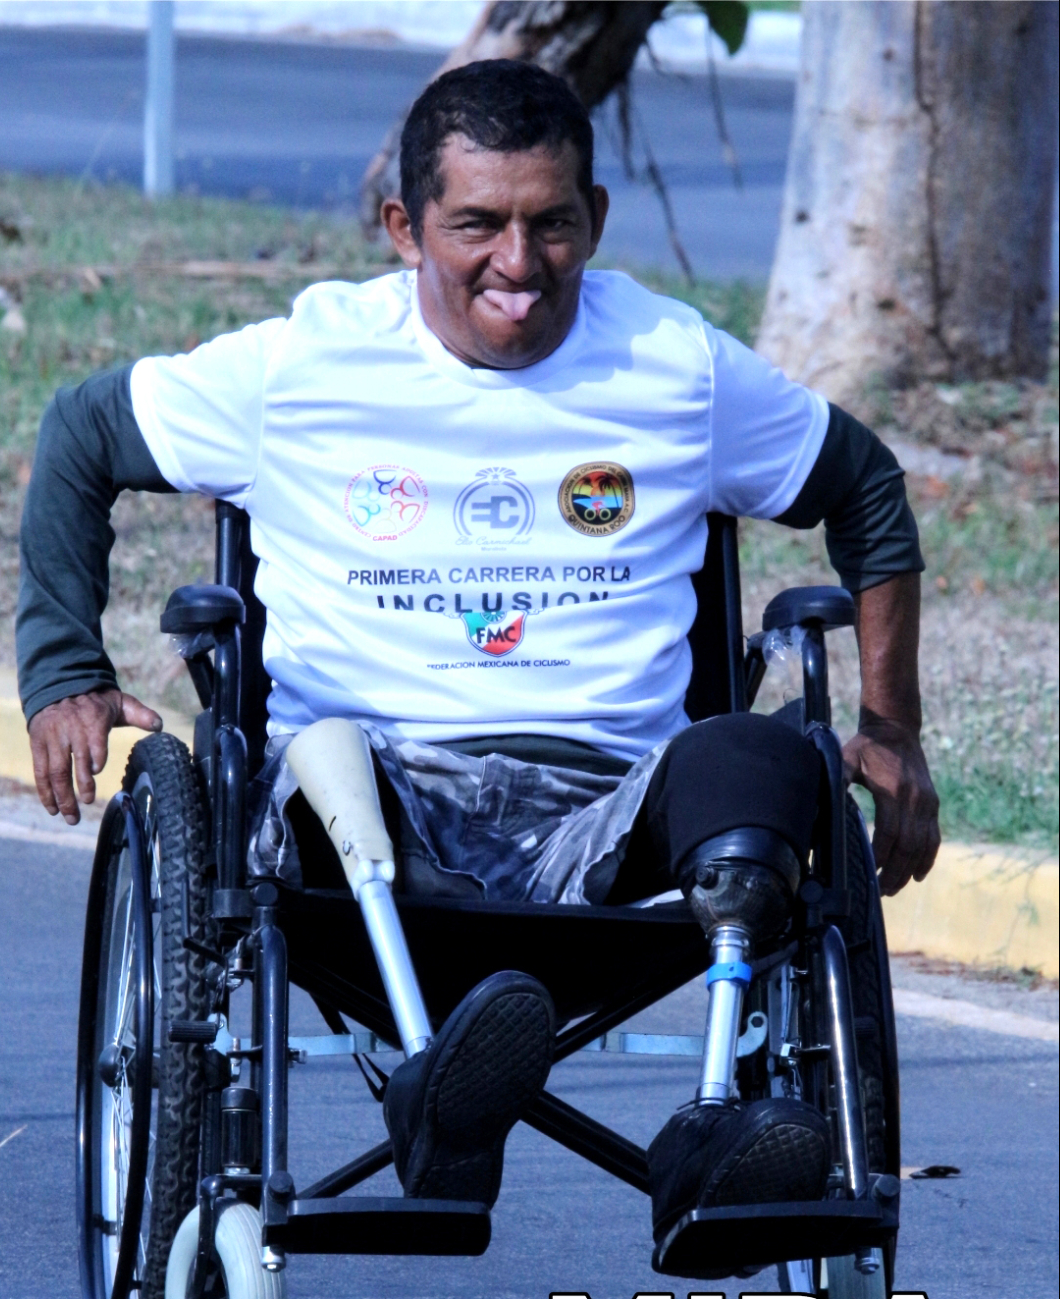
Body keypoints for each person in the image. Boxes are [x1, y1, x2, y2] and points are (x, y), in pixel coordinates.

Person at [18, 60, 939, 1239]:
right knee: (332, 758)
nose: (519, 263)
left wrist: (891, 732)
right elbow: (83, 433)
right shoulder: (301, 367)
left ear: (594, 221)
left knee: (765, 759)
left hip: (609, 818)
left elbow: (862, 484)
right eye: (478, 226)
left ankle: (710, 1133)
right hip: (367, 818)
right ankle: (441, 1079)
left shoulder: (678, 366)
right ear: (405, 228)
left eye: (552, 224)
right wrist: (62, 671)